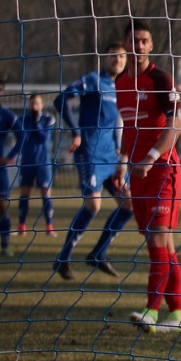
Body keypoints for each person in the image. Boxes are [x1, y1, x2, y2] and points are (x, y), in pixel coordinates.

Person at [116, 20, 181, 334]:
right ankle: (179, 315)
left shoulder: (160, 79)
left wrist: (150, 157)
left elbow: (176, 127)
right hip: (137, 174)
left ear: (151, 45)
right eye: (135, 40)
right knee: (163, 246)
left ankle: (151, 310)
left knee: (159, 239)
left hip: (162, 171)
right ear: (125, 44)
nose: (140, 46)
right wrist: (123, 166)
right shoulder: (119, 84)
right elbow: (125, 131)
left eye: (145, 41)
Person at [54, 42, 132, 280]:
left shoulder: (124, 87)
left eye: (121, 56)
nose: (117, 60)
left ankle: (98, 253)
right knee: (93, 206)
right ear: (104, 59)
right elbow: (61, 100)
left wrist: (122, 152)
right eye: (112, 56)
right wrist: (76, 131)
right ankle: (63, 258)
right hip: (90, 153)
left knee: (130, 203)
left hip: (112, 156)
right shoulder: (93, 80)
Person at [12, 94, 56, 238]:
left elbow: (44, 137)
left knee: (46, 194)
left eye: (36, 103)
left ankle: (49, 226)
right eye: (32, 103)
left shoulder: (49, 119)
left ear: (42, 104)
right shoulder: (22, 120)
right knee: (24, 194)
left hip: (43, 163)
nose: (34, 106)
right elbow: (24, 138)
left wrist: (37, 122)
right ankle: (21, 226)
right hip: (27, 162)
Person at [0, 78, 19, 254]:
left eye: (0, 89)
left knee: (2, 207)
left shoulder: (7, 115)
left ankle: (5, 245)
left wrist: (9, 157)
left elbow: (22, 136)